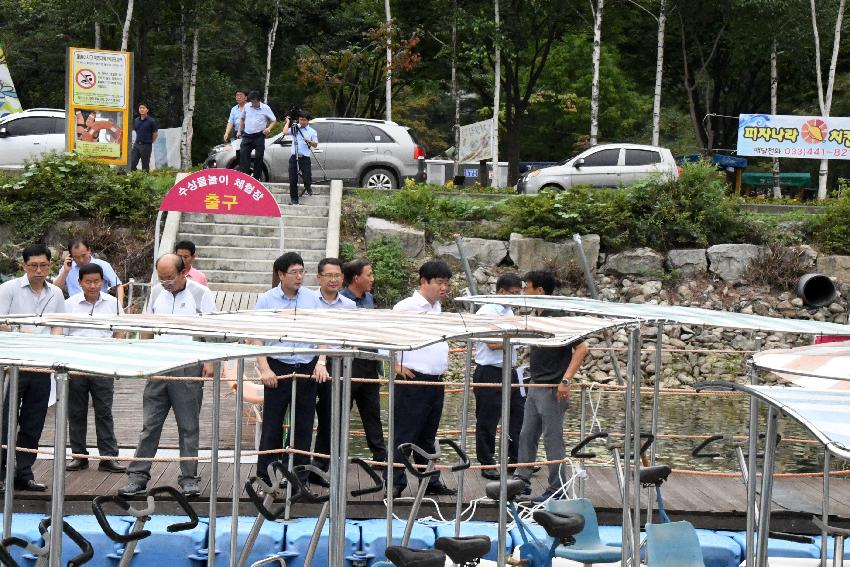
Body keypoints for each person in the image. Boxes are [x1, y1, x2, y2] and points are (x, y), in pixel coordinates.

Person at [118, 254, 216, 497]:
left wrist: (211, 361)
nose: (166, 283)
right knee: (150, 424)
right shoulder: (155, 292)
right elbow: (147, 327)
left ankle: (189, 477)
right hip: (159, 365)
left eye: (170, 278)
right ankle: (138, 476)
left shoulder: (201, 293)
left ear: (184, 273)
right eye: (161, 278)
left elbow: (213, 331)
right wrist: (145, 357)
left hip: (188, 364)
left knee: (188, 425)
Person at [513, 270, 589, 502]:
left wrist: (565, 380)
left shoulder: (557, 316)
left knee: (552, 438)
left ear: (540, 291)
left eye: (527, 287)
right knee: (527, 434)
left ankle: (558, 488)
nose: (524, 291)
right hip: (536, 385)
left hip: (553, 387)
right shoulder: (539, 315)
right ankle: (521, 480)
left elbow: (583, 347)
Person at [250, 252, 324, 485]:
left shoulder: (312, 299)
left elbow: (324, 333)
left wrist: (321, 362)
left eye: (302, 271)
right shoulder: (267, 300)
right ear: (281, 275)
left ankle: (297, 476)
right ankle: (265, 476)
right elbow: (256, 337)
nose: (299, 277)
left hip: (306, 365)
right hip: (278, 365)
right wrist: (264, 369)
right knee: (272, 423)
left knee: (303, 423)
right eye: (294, 272)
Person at [0, 243, 66, 493]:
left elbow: (59, 325)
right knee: (5, 420)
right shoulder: (8, 289)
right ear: (24, 266)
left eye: (44, 265)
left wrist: (54, 349)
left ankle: (23, 472)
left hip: (41, 364)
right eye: (34, 266)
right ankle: (1, 472)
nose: (39, 270)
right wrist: (24, 333)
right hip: (12, 364)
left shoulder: (56, 293)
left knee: (33, 421)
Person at [389, 260, 456, 498]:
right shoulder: (405, 308)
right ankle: (396, 482)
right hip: (413, 380)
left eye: (446, 283)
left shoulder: (437, 309)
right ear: (423, 281)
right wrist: (395, 364)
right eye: (439, 283)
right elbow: (383, 338)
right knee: (405, 434)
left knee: (428, 435)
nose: (443, 288)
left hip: (435, 380)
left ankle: (429, 481)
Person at [64, 263, 126, 474]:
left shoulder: (113, 303)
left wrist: (115, 358)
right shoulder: (69, 304)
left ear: (103, 282)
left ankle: (108, 457)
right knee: (76, 412)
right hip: (76, 364)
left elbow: (120, 332)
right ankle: (79, 456)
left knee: (104, 412)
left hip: (103, 364)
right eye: (88, 282)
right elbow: (62, 333)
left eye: (97, 281)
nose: (93, 286)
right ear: (80, 282)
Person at [473, 272, 524, 480]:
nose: (515, 297)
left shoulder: (509, 311)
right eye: (513, 293)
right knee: (488, 418)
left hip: (509, 370)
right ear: (501, 292)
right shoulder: (487, 311)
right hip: (490, 371)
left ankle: (516, 459)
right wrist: (517, 338)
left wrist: (516, 337)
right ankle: (487, 463)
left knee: (517, 414)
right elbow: (492, 343)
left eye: (518, 293)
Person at [311, 258, 355, 483]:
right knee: (305, 414)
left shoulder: (349, 306)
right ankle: (296, 465)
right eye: (329, 275)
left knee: (332, 415)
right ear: (319, 277)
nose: (333, 280)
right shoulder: (309, 301)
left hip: (338, 364)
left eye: (337, 276)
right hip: (311, 363)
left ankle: (320, 465)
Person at [340, 259, 387, 467]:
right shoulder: (340, 301)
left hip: (369, 362)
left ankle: (380, 457)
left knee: (372, 411)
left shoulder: (369, 299)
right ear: (356, 278)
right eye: (369, 274)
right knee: (341, 411)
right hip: (348, 363)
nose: (372, 279)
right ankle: (335, 457)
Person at [54, 239, 124, 306]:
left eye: (83, 255)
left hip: (99, 306)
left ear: (89, 250)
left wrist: (119, 307)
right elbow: (55, 289)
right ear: (71, 255)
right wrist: (65, 272)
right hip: (75, 307)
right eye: (76, 257)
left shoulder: (103, 265)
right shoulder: (67, 267)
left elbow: (118, 285)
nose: (81, 260)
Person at [239, 91, 276, 180]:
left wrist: (269, 128)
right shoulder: (247, 106)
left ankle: (256, 178)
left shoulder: (266, 108)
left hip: (259, 136)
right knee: (243, 156)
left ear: (259, 100)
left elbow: (274, 120)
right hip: (247, 135)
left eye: (255, 101)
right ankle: (245, 177)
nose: (253, 103)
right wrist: (239, 131)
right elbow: (242, 118)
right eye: (252, 101)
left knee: (259, 157)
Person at [288, 110, 318, 205]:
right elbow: (284, 132)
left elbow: (315, 145)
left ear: (308, 120)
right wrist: (288, 122)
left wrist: (309, 141)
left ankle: (308, 185)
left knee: (307, 177)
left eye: (304, 120)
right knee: (293, 179)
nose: (302, 122)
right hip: (294, 157)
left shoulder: (312, 131)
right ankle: (294, 198)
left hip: (305, 158)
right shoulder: (295, 128)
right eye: (301, 119)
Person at [129, 102, 158, 172]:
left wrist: (150, 141)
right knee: (132, 163)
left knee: (145, 165)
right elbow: (136, 131)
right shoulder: (136, 120)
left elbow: (155, 133)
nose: (141, 109)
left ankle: (144, 179)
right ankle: (135, 177)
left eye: (143, 108)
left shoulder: (151, 121)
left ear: (147, 110)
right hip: (136, 145)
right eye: (140, 108)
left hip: (146, 145)